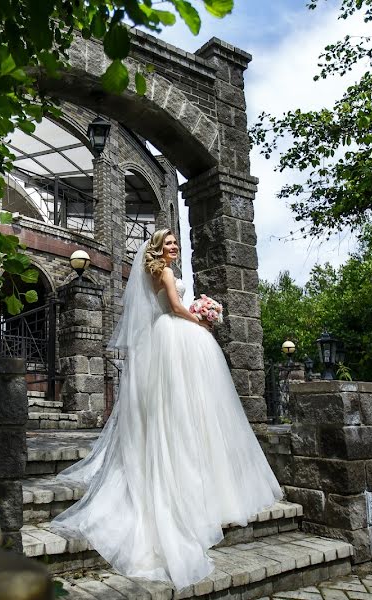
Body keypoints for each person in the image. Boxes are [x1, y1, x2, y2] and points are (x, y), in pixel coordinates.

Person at [51, 229, 282, 590]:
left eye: (176, 244)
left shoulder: (158, 271)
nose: (174, 248)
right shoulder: (164, 272)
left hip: (171, 337)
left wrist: (196, 312)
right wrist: (201, 319)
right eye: (169, 244)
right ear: (158, 248)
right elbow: (174, 307)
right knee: (178, 411)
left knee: (185, 409)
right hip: (173, 335)